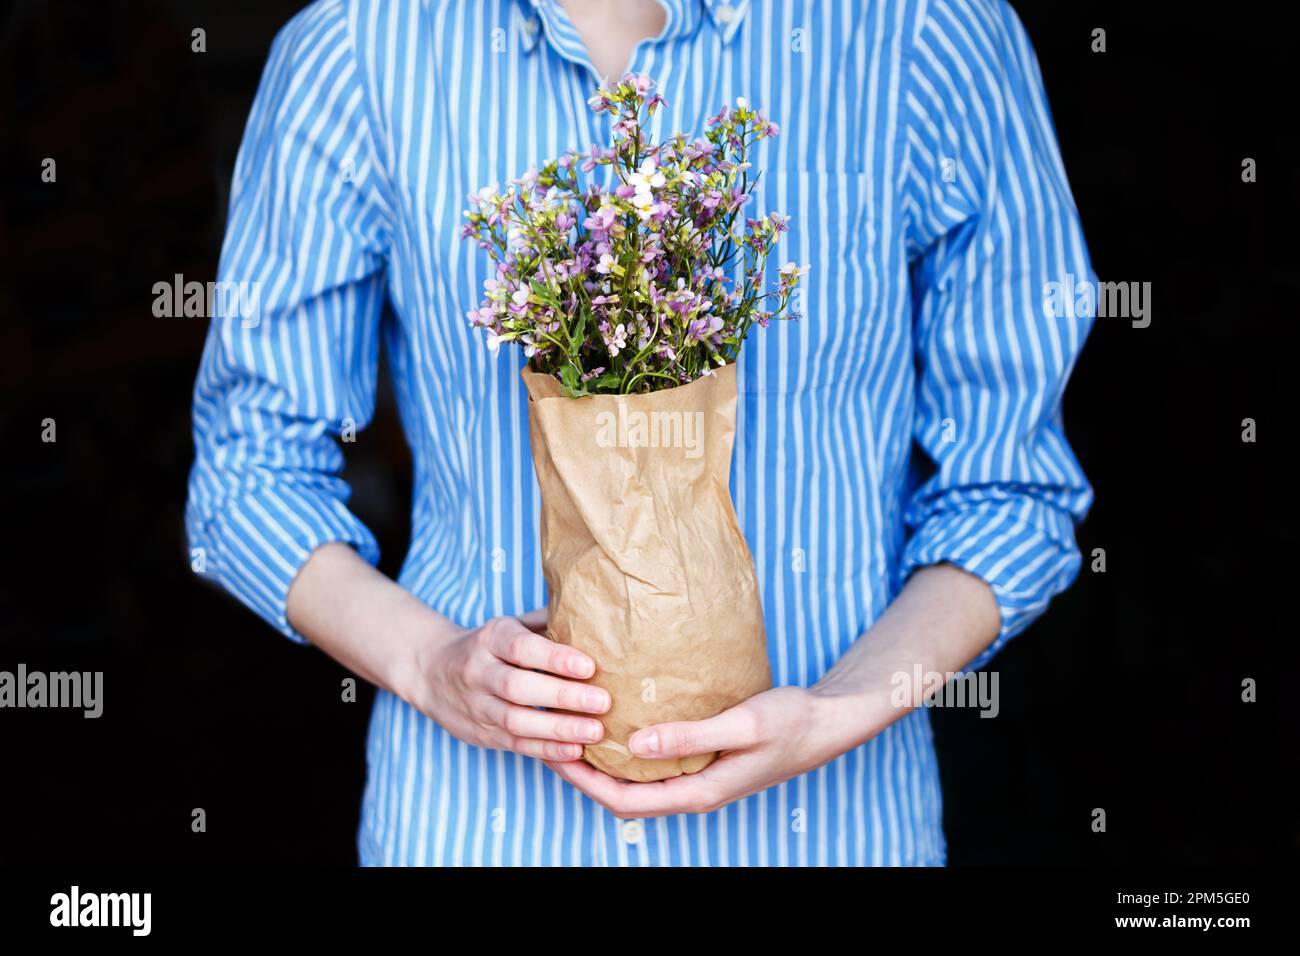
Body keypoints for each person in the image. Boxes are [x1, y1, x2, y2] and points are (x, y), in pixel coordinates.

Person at [187, 0, 1094, 866]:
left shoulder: (927, 32)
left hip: (833, 832)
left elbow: (1008, 491)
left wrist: (842, 709)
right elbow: (252, 472)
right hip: (474, 831)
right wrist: (431, 667)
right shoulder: (356, 47)